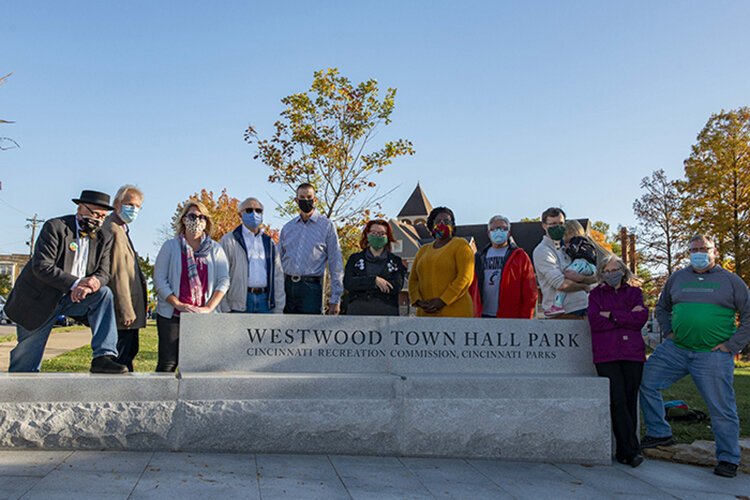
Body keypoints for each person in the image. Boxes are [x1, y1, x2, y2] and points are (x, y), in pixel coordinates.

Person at [640, 234, 750, 478]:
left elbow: (748, 314)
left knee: (721, 408)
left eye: (703, 249)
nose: (698, 253)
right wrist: (668, 331)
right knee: (646, 381)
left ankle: (728, 458)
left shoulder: (731, 281)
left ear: (715, 252)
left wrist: (733, 345)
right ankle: (659, 431)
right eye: (693, 249)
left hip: (712, 355)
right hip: (676, 349)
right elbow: (662, 308)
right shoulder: (677, 278)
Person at [5, 190, 127, 373]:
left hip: (74, 299)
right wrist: (76, 283)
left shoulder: (104, 236)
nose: (98, 220)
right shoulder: (56, 227)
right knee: (26, 363)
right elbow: (42, 265)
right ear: (80, 208)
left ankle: (103, 357)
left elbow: (104, 272)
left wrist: (94, 282)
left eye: (103, 216)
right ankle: (16, 394)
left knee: (103, 294)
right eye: (94, 214)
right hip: (39, 300)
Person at [153, 201, 229, 372]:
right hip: (172, 315)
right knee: (168, 363)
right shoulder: (170, 246)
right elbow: (159, 279)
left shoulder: (215, 249)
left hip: (203, 317)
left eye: (201, 217)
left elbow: (223, 281)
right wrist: (178, 304)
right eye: (192, 216)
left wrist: (208, 308)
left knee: (200, 367)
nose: (197, 220)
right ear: (183, 220)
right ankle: (164, 398)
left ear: (206, 222)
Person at [587, 254, 648, 468]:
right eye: (607, 270)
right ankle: (631, 451)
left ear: (623, 270)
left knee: (630, 400)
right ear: (601, 273)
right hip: (606, 355)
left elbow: (640, 319)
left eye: (615, 270)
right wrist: (624, 316)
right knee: (618, 400)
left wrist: (611, 315)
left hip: (632, 353)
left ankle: (625, 450)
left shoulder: (634, 293)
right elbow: (595, 321)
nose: (611, 274)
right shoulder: (595, 295)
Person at [279, 183, 344, 315]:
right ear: (296, 201)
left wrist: (336, 298)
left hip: (311, 288)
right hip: (287, 287)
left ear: (315, 200)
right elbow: (277, 260)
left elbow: (335, 263)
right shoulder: (287, 228)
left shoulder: (327, 226)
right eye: (302, 197)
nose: (305, 200)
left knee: (309, 331)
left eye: (309, 197)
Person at [103, 185, 148, 372]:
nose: (133, 210)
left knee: (130, 353)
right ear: (116, 204)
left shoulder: (122, 229)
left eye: (138, 206)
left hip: (131, 307)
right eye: (129, 204)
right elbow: (117, 273)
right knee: (120, 358)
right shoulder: (112, 229)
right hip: (122, 312)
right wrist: (126, 309)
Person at [219, 197, 285, 314]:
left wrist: (279, 306)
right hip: (239, 303)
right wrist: (224, 306)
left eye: (258, 210)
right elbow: (221, 274)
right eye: (249, 210)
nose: (254, 214)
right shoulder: (230, 240)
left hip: (266, 302)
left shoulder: (269, 243)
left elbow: (278, 275)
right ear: (240, 214)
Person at [409, 207, 474, 317]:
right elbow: (413, 279)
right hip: (426, 312)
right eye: (438, 221)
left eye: (447, 221)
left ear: (453, 226)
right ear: (431, 225)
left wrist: (443, 300)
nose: (442, 224)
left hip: (456, 311)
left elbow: (465, 277)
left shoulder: (461, 245)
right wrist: (418, 301)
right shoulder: (423, 250)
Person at [469, 215, 538, 318]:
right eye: (494, 229)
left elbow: (530, 290)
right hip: (482, 314)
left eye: (503, 228)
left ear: (509, 233)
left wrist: (526, 317)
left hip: (510, 316)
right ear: (488, 233)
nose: (498, 231)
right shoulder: (479, 257)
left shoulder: (519, 256)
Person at [533, 208, 593, 318]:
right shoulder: (543, 251)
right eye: (553, 224)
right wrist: (585, 286)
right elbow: (560, 284)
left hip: (585, 307)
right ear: (544, 226)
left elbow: (595, 276)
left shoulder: (571, 246)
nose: (558, 227)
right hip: (564, 313)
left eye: (561, 223)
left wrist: (582, 279)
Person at [343, 219, 406, 316]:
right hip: (357, 312)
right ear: (367, 235)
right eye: (374, 233)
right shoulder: (355, 259)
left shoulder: (395, 261)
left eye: (381, 233)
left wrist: (361, 284)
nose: (377, 236)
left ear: (387, 237)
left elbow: (396, 287)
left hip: (387, 313)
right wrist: (373, 281)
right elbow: (348, 283)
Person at [545, 220, 598, 317]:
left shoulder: (577, 241)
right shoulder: (588, 243)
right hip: (590, 267)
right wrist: (584, 282)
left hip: (582, 263)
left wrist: (566, 248)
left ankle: (557, 304)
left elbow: (562, 284)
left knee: (567, 276)